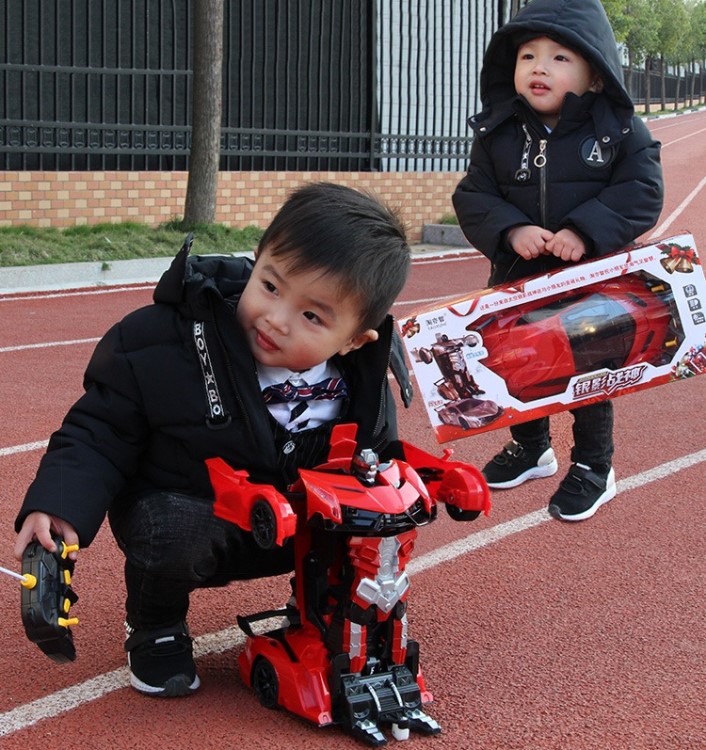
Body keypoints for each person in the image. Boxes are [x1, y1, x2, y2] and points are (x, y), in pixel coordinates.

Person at [14, 181, 413, 697]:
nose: (275, 318)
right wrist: (58, 505)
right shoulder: (166, 339)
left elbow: (375, 463)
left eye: (312, 316)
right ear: (256, 261)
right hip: (196, 511)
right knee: (170, 531)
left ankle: (322, 612)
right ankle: (155, 623)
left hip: (296, 528)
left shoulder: (362, 381)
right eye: (270, 286)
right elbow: (100, 429)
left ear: (357, 337)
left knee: (379, 521)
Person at [452, 0, 663, 522]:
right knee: (516, 365)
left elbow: (642, 191)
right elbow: (473, 196)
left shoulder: (616, 132)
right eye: (527, 56)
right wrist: (511, 229)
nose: (539, 67)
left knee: (587, 373)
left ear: (595, 76)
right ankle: (531, 447)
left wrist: (583, 231)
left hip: (588, 286)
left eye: (559, 58)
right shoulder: (499, 133)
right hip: (518, 280)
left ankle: (595, 465)